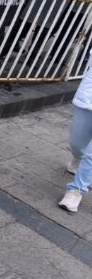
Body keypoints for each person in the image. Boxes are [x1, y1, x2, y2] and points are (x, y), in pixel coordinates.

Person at [59, 48, 92, 212]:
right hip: (89, 98)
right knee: (77, 143)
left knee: (91, 154)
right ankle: (77, 158)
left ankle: (76, 190)